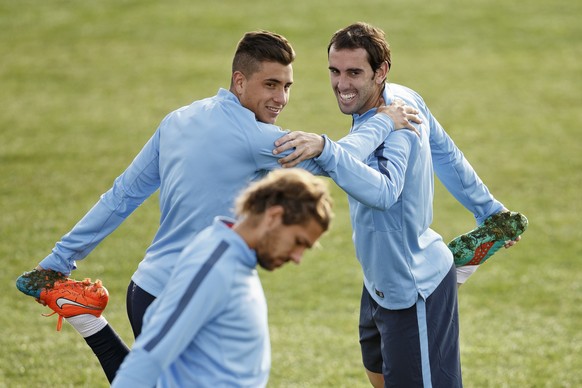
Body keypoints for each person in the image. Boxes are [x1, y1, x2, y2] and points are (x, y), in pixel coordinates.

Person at [16, 29, 421, 383]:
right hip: (191, 294)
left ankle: (84, 315)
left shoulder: (179, 118)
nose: (281, 98)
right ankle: (85, 318)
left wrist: (59, 260)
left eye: (287, 86)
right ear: (239, 81)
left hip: (146, 290)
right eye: (271, 85)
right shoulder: (258, 140)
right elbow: (339, 160)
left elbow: (122, 195)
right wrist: (384, 120)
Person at [272, 22, 525, 387]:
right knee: (380, 378)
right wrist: (488, 209)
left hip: (411, 292)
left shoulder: (399, 125)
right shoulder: (392, 105)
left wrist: (326, 150)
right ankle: (448, 263)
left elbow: (384, 192)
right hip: (378, 279)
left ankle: (443, 267)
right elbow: (445, 153)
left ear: (382, 70)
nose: (342, 84)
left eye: (354, 72)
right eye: (335, 71)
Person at [110, 168, 333, 387]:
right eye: (298, 242)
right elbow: (150, 353)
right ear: (274, 216)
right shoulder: (214, 267)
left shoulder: (232, 256)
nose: (297, 257)